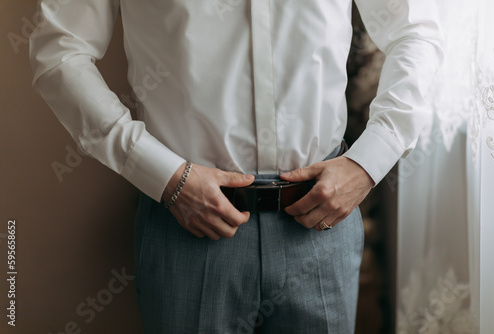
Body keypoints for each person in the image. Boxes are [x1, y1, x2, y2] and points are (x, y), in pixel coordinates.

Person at [30, 0, 443, 333]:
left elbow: (416, 30)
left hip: (322, 223)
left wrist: (367, 163)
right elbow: (59, 49)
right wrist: (161, 173)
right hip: (184, 224)